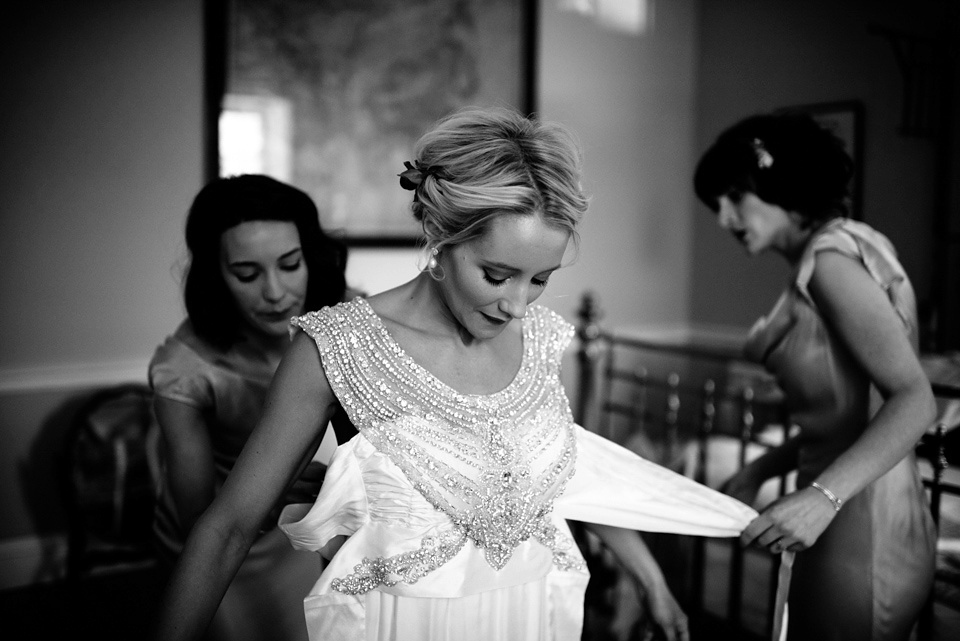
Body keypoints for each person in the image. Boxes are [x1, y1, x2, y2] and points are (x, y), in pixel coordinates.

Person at [153, 107, 759, 641]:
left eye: (540, 279)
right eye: (497, 275)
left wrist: (649, 576)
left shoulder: (540, 340)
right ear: (440, 237)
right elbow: (228, 527)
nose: (518, 305)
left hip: (531, 612)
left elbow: (560, 477)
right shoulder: (337, 346)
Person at [694, 112, 937, 640]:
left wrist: (820, 499)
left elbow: (915, 400)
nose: (723, 217)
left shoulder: (829, 262)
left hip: (859, 516)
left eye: (735, 196)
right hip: (857, 500)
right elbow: (846, 418)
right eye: (716, 204)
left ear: (780, 182)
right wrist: (762, 467)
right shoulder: (838, 250)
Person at [148, 174, 354, 641]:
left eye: (290, 264)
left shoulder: (347, 320)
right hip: (234, 543)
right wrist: (277, 490)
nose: (276, 292)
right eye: (247, 274)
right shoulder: (184, 368)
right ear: (214, 276)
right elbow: (199, 518)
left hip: (320, 523)